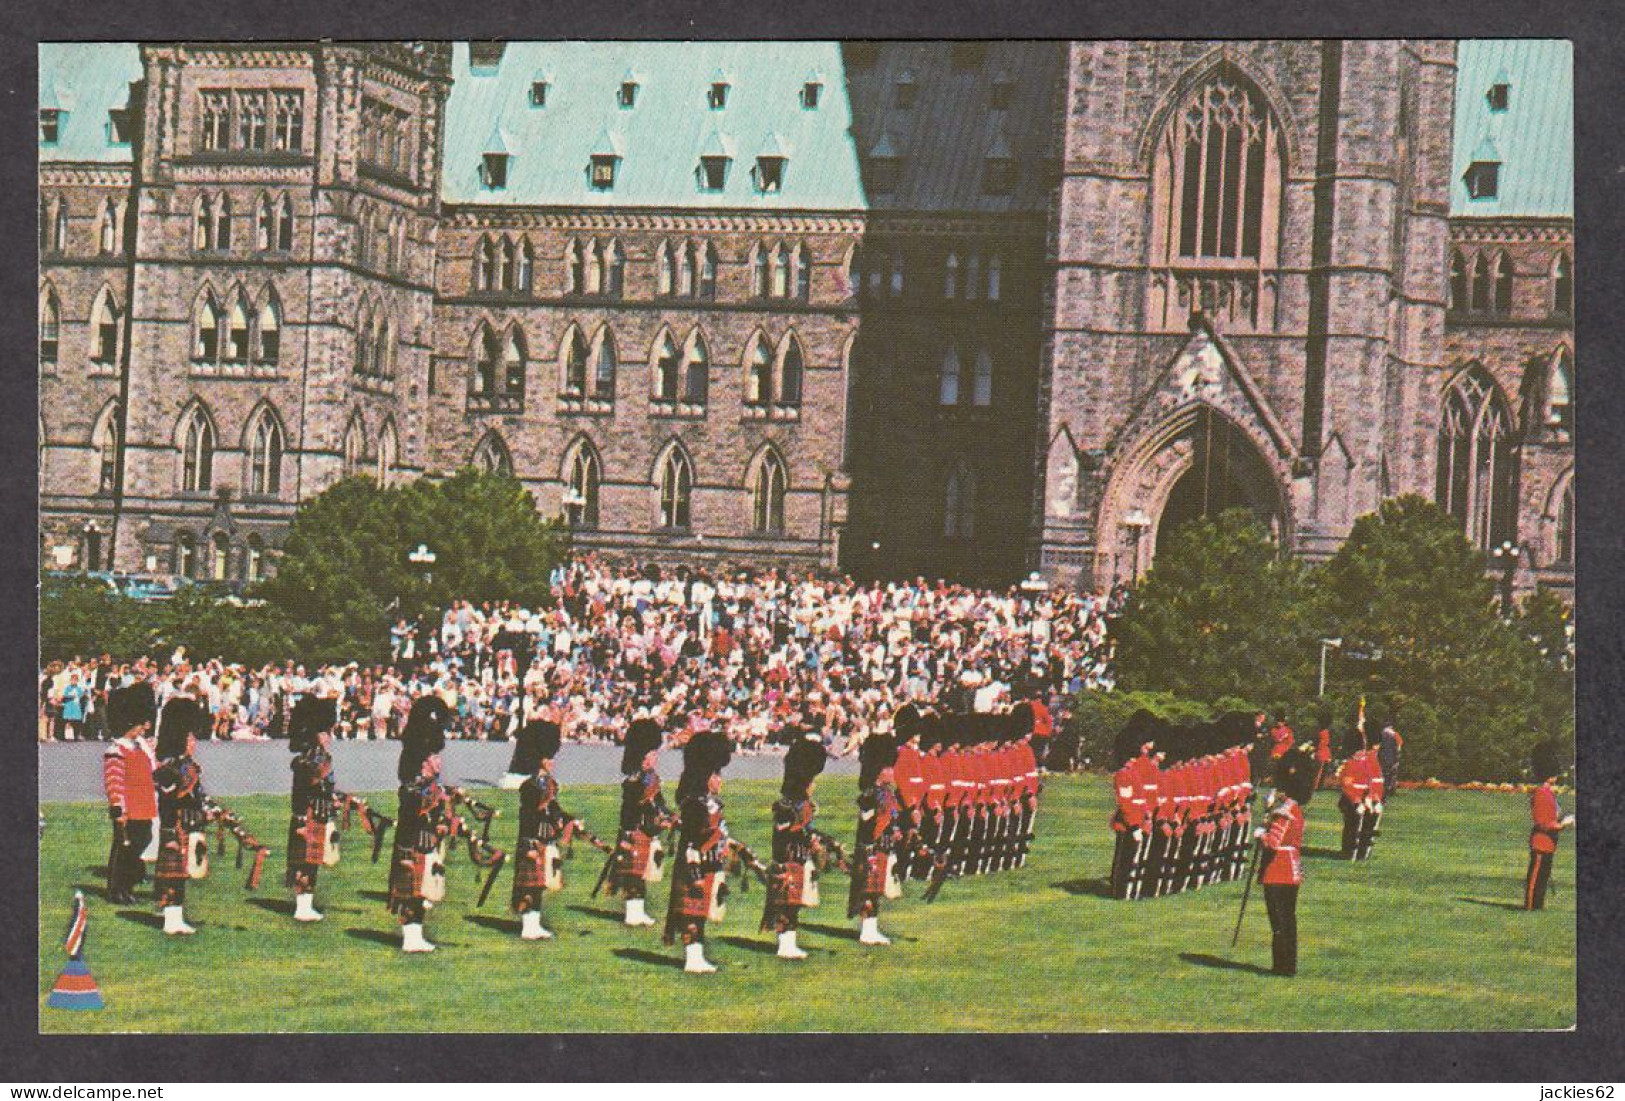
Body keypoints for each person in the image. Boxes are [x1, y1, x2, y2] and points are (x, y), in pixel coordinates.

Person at [662, 727, 736, 973]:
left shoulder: (711, 803)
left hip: (710, 864)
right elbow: (692, 841)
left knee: (701, 912)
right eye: (715, 775)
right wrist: (694, 872)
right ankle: (692, 959)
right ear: (704, 776)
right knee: (691, 914)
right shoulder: (695, 805)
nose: (719, 780)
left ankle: (698, 956)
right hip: (696, 865)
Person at [387, 696, 453, 953]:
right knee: (411, 894)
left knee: (421, 894)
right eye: (436, 757)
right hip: (413, 846)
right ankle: (410, 939)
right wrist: (404, 853)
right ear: (425, 761)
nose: (440, 761)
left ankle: (416, 937)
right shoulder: (414, 790)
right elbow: (409, 820)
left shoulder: (431, 787)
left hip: (427, 846)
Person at [761, 733, 829, 960]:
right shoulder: (786, 805)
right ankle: (784, 944)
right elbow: (783, 831)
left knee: (795, 904)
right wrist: (806, 835)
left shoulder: (803, 803)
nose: (814, 785)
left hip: (800, 858)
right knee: (786, 905)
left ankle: (790, 941)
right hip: (788, 858)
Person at [509, 712, 574, 941]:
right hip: (532, 841)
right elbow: (529, 817)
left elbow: (552, 809)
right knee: (529, 886)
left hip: (545, 841)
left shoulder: (549, 784)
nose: (552, 761)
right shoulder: (529, 787)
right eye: (548, 757)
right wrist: (529, 846)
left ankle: (534, 924)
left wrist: (567, 819)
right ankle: (528, 926)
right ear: (540, 759)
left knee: (539, 885)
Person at [608, 714, 675, 926]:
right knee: (633, 875)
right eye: (653, 753)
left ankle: (638, 911)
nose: (656, 757)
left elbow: (659, 802)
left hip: (648, 832)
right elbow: (633, 809)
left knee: (643, 873)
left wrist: (668, 815)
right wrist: (630, 832)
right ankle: (632, 913)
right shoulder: (634, 781)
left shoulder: (652, 778)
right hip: (635, 831)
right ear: (643, 756)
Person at [152, 690, 210, 936]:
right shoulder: (170, 769)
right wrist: (170, 834)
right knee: (171, 877)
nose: (193, 742)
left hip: (189, 826)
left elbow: (197, 797)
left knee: (181, 875)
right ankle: (170, 920)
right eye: (189, 737)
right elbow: (167, 804)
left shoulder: (189, 766)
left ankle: (177, 918)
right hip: (174, 827)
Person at [1256, 743, 1315, 977]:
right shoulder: (1295, 809)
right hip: (1291, 870)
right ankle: (1286, 965)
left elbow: (1272, 842)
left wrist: (1261, 830)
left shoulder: (1283, 812)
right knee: (1288, 920)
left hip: (1277, 870)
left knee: (1279, 923)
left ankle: (1281, 966)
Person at [847, 729, 907, 945]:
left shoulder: (888, 793)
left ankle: (872, 928)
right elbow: (868, 825)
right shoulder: (870, 795)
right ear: (878, 770)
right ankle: (866, 930)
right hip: (871, 848)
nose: (892, 772)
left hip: (884, 847)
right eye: (889, 768)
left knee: (877, 888)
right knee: (868, 889)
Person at [285, 692, 340, 923]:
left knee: (314, 862)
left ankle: (307, 904)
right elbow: (300, 794)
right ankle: (301, 906)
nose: (329, 737)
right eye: (326, 733)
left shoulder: (322, 757)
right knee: (303, 863)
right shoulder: (307, 761)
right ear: (316, 734)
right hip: (306, 815)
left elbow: (324, 788)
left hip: (320, 814)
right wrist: (299, 821)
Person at [102, 682, 158, 904]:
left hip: (143, 806)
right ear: (128, 723)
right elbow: (114, 782)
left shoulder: (139, 747)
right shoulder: (116, 750)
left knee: (142, 840)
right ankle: (118, 889)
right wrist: (118, 808)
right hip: (129, 808)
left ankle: (128, 884)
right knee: (124, 850)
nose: (143, 728)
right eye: (138, 725)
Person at [1524, 740, 1575, 912]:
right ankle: (1531, 906)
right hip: (1541, 842)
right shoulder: (1542, 793)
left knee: (1543, 878)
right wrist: (1563, 824)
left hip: (1549, 844)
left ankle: (1538, 906)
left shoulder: (1547, 793)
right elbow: (1544, 823)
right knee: (1536, 879)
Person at [1378, 724, 1403, 797]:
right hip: (1392, 758)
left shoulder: (1380, 735)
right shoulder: (1395, 734)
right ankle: (1390, 790)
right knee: (1391, 775)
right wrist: (1397, 757)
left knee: (1382, 775)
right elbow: (1399, 746)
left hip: (1381, 758)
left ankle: (1382, 791)